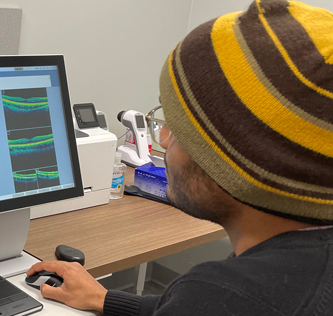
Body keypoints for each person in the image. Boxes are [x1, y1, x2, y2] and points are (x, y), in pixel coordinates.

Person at [26, 0, 333, 315]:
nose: (162, 138)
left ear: (232, 160)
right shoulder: (283, 277)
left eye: (175, 126)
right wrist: (105, 300)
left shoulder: (222, 296)